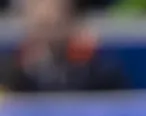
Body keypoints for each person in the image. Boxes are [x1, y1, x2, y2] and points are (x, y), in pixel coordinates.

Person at [0, 0, 128, 93]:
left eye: (57, 10)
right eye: (43, 25)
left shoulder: (100, 70)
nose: (47, 14)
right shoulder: (10, 72)